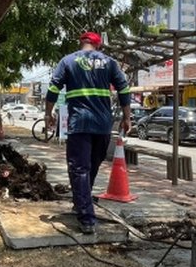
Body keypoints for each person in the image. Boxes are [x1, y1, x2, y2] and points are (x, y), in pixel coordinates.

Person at [45, 32, 132, 235]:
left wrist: (47, 113)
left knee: (79, 168)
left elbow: (53, 88)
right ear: (98, 46)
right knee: (90, 165)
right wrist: (127, 118)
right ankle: (82, 203)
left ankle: (86, 216)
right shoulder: (109, 63)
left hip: (79, 123)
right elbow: (124, 89)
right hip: (103, 125)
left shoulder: (67, 61)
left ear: (81, 43)